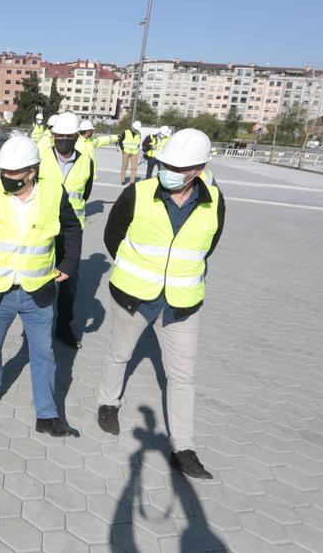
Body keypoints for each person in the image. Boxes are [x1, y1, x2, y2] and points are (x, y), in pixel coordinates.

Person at [96, 128, 226, 480]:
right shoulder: (136, 194)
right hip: (134, 295)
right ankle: (108, 403)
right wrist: (136, 270)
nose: (167, 170)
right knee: (119, 353)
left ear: (198, 170)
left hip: (182, 303)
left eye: (177, 167)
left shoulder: (215, 201)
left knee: (182, 375)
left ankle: (183, 446)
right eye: (165, 163)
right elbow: (112, 236)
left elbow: (207, 246)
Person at [0, 136, 82, 437]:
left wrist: (68, 265)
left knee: (43, 353)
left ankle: (47, 414)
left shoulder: (54, 193)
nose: (6, 178)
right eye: (4, 172)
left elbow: (72, 229)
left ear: (32, 171)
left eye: (13, 173)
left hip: (37, 291)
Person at [39, 112, 95, 349]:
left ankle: (63, 327)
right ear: (53, 135)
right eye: (59, 136)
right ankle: (39, 326)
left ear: (75, 137)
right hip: (44, 227)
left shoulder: (86, 161)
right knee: (41, 277)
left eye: (68, 137)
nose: (63, 140)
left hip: (72, 231)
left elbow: (86, 192)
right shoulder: (40, 157)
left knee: (69, 282)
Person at [120, 121, 142, 186]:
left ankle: (132, 182)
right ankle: (123, 180)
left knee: (134, 168)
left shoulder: (139, 133)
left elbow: (138, 142)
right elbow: (120, 141)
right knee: (124, 166)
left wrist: (137, 149)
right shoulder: (126, 132)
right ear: (133, 127)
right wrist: (123, 149)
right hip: (126, 151)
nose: (136, 130)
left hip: (134, 152)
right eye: (135, 129)